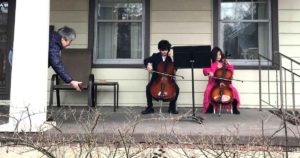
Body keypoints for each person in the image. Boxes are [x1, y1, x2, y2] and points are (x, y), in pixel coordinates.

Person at [142, 40, 180, 114]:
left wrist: (172, 59)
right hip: (157, 78)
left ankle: (171, 107)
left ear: (168, 49)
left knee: (177, 89)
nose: (164, 52)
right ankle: (149, 107)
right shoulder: (155, 56)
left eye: (165, 50)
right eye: (162, 50)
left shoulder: (170, 58)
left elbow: (175, 68)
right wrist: (148, 65)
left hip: (169, 80)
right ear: (159, 49)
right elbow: (146, 60)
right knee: (148, 88)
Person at [203, 47, 240, 114]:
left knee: (233, 90)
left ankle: (234, 107)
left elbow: (231, 71)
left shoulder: (224, 64)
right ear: (213, 56)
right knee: (208, 90)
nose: (218, 56)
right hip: (214, 83)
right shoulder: (211, 64)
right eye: (216, 55)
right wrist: (209, 72)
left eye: (219, 54)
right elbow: (205, 70)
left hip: (226, 83)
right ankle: (210, 106)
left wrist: (229, 64)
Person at [49, 26, 82, 91]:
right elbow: (56, 64)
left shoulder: (52, 39)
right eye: (70, 41)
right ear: (63, 39)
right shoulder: (53, 45)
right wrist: (71, 81)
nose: (69, 44)